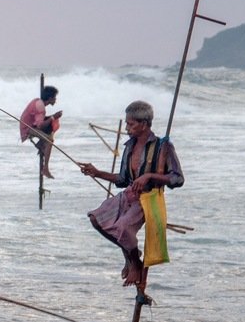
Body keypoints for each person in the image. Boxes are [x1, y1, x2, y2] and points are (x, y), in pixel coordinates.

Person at [79, 100, 184, 288]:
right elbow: (123, 179)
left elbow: (178, 179)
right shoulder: (129, 146)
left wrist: (149, 176)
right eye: (126, 123)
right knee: (96, 219)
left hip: (149, 198)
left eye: (131, 124)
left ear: (144, 124)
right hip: (129, 195)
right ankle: (132, 256)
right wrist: (97, 172)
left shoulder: (163, 147)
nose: (127, 128)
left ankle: (135, 264)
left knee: (123, 228)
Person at [19, 85, 62, 178]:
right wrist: (53, 117)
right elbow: (40, 125)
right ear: (50, 98)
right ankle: (45, 169)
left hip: (32, 124)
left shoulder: (39, 102)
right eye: (54, 98)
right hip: (28, 128)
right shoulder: (40, 107)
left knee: (53, 123)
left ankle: (40, 144)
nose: (56, 100)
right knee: (50, 140)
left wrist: (53, 118)